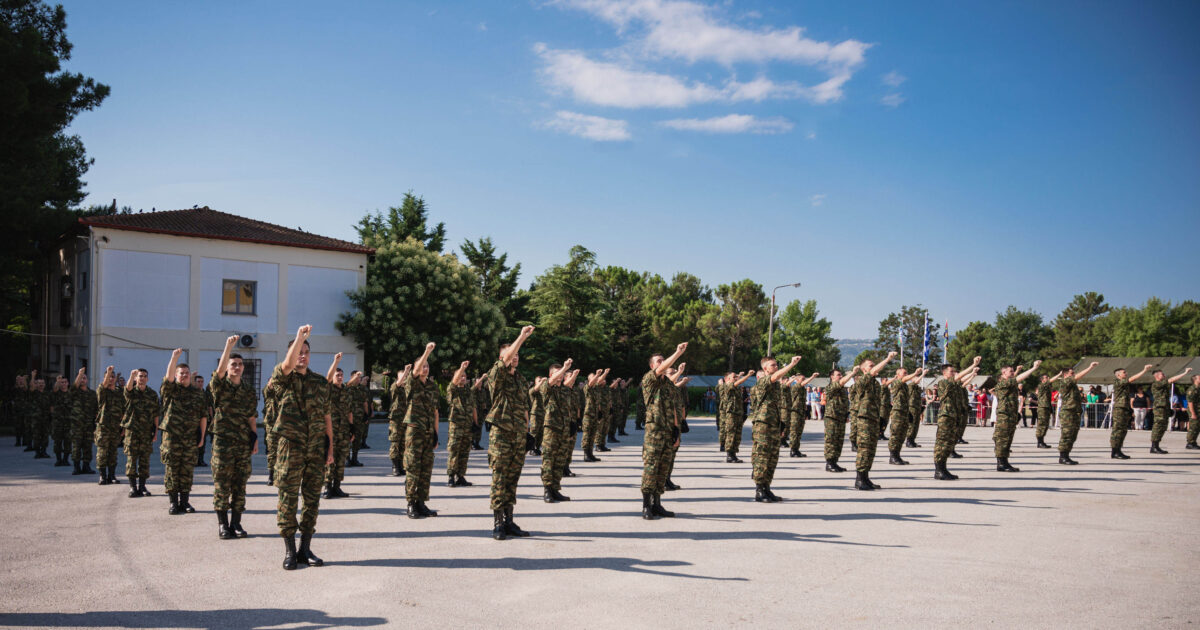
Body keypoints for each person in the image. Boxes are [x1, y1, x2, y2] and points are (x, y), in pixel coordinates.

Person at [271, 325, 335, 570]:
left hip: (316, 449)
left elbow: (327, 416)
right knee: (287, 499)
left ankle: (304, 549)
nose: (302, 355)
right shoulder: (282, 378)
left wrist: (329, 449)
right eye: (298, 351)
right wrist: (300, 337)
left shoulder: (320, 382)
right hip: (291, 448)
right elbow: (287, 366)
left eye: (306, 351)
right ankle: (289, 551)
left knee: (312, 501)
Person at [486, 326, 536, 540]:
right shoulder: (496, 374)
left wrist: (528, 431)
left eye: (517, 355)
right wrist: (522, 337)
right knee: (500, 478)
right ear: (502, 357)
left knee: (513, 479)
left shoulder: (521, 380)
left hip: (517, 435)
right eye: (511, 354)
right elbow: (504, 361)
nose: (515, 357)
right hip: (501, 435)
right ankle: (497, 523)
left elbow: (525, 407)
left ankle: (509, 521)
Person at [210, 335, 260, 539]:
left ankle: (236, 523)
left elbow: (251, 416)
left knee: (240, 483)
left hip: (242, 443)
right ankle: (222, 525)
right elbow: (219, 372)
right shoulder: (221, 386)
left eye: (240, 364)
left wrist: (254, 438)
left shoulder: (248, 391)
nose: (237, 367)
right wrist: (228, 347)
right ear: (228, 367)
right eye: (233, 364)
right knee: (222, 483)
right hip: (223, 442)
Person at [640, 342, 687, 520]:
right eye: (659, 361)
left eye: (663, 360)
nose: (662, 363)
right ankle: (646, 505)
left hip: (668, 431)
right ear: (652, 366)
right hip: (654, 433)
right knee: (651, 468)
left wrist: (676, 429)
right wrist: (677, 353)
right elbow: (663, 368)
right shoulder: (649, 379)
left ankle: (657, 504)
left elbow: (674, 408)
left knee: (662, 469)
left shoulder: (668, 385)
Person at [159, 349, 208, 515]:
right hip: (172, 437)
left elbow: (203, 416)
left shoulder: (198, 393)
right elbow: (169, 377)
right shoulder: (171, 389)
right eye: (181, 373)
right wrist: (174, 358)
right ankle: (173, 503)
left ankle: (185, 502)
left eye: (186, 373)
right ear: (176, 375)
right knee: (172, 470)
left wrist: (202, 436)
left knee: (187, 470)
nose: (184, 375)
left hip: (190, 438)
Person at [751, 355, 803, 502]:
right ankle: (759, 490)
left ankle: (767, 488)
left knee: (772, 458)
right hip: (763, 425)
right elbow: (776, 377)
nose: (776, 367)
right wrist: (792, 364)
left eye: (776, 365)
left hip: (773, 423)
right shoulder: (763, 382)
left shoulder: (775, 386)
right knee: (762, 457)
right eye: (773, 365)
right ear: (765, 368)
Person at [850, 352, 898, 490]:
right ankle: (859, 480)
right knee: (864, 449)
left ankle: (866, 478)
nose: (874, 367)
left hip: (873, 419)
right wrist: (888, 359)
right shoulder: (862, 380)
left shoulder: (876, 384)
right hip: (864, 420)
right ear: (864, 369)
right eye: (870, 366)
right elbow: (874, 371)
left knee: (871, 450)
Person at [404, 343, 441, 518]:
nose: (425, 368)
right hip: (414, 431)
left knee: (426, 468)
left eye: (427, 366)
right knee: (413, 468)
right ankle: (411, 503)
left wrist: (435, 434)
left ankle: (421, 502)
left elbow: (435, 412)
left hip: (428, 432)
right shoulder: (412, 382)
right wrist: (426, 352)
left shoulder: (433, 387)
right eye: (423, 365)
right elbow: (415, 372)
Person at [933, 356, 980, 480]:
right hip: (945, 417)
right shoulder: (943, 382)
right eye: (951, 371)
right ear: (944, 373)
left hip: (952, 416)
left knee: (948, 443)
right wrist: (972, 365)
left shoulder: (952, 384)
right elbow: (958, 378)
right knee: (942, 443)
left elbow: (962, 382)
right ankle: (938, 470)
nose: (954, 373)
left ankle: (943, 468)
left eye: (954, 371)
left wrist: (972, 373)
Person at [992, 361, 1040, 472]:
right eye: (1011, 371)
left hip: (1010, 414)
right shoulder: (1002, 383)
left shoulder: (1009, 382)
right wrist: (1033, 368)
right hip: (1004, 415)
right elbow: (1018, 379)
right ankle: (1000, 463)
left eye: (1014, 371)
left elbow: (1015, 379)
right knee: (1002, 439)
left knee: (1008, 439)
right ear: (1003, 372)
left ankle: (1005, 462)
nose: (1013, 372)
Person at [539, 361, 575, 502]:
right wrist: (565, 368)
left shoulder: (566, 390)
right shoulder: (546, 387)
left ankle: (555, 489)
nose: (559, 376)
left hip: (564, 430)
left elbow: (567, 409)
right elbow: (552, 381)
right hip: (551, 430)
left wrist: (571, 424)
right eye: (556, 373)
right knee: (548, 460)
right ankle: (547, 490)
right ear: (550, 375)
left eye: (561, 373)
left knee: (560, 461)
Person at [122, 368, 159, 497]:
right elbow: (127, 389)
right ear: (136, 379)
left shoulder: (152, 394)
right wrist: (131, 376)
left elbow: (156, 414)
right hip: (132, 431)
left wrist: (156, 431)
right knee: (132, 459)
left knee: (144, 460)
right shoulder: (132, 392)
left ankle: (142, 486)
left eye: (144, 376)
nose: (142, 378)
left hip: (146, 432)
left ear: (147, 379)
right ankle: (133, 487)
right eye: (140, 376)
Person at [1056, 361, 1099, 464]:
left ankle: (1066, 454)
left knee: (1073, 434)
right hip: (1068, 412)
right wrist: (1090, 367)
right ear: (1065, 375)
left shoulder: (1072, 385)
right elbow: (1077, 377)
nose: (1073, 375)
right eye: (1071, 373)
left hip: (1075, 412)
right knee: (1067, 434)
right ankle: (1063, 456)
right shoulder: (1064, 382)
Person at [323, 364, 355, 498]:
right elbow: (328, 378)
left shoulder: (346, 391)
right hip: (331, 430)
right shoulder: (329, 389)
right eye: (338, 375)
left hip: (344, 430)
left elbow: (349, 411)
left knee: (341, 459)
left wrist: (352, 428)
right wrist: (335, 361)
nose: (340, 377)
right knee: (330, 458)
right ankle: (327, 487)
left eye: (342, 375)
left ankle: (337, 486)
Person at [1109, 364, 1152, 459]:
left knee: (1123, 430)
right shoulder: (1118, 382)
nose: (1126, 374)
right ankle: (1114, 451)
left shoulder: (1124, 383)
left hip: (1124, 408)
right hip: (1119, 408)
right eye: (1124, 372)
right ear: (1118, 375)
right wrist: (1144, 370)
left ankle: (1118, 450)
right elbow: (1132, 379)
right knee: (1118, 430)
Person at [446, 359, 477, 488]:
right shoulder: (452, 390)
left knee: (465, 452)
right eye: (460, 375)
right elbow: (454, 383)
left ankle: (461, 476)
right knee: (454, 451)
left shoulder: (468, 391)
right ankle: (451, 476)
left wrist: (476, 423)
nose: (463, 378)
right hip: (456, 427)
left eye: (464, 376)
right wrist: (462, 368)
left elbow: (473, 407)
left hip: (467, 426)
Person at [1149, 367, 1193, 453]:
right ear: (1157, 376)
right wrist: (1184, 373)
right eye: (1162, 374)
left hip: (1164, 407)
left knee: (1163, 426)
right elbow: (1172, 379)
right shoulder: (1156, 384)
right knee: (1158, 426)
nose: (1164, 375)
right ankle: (1154, 446)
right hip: (1159, 408)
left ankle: (1156, 445)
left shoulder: (1163, 384)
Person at [887, 367, 925, 465]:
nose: (906, 374)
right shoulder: (896, 383)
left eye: (906, 373)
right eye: (904, 373)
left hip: (904, 412)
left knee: (902, 435)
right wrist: (915, 373)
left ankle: (897, 455)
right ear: (898, 375)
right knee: (895, 435)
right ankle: (893, 456)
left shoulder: (905, 386)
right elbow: (904, 379)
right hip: (897, 413)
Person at [94, 367, 125, 485]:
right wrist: (108, 371)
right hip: (103, 427)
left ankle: (112, 475)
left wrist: (123, 427)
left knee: (113, 452)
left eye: (113, 376)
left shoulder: (119, 392)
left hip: (116, 427)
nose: (111, 379)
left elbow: (123, 410)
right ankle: (102, 476)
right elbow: (103, 385)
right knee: (102, 452)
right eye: (108, 376)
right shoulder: (102, 390)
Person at [823, 367, 855, 473]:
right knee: (831, 440)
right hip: (832, 417)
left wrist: (846, 414)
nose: (840, 376)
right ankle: (829, 463)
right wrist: (853, 373)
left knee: (839, 441)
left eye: (841, 375)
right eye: (838, 375)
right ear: (832, 377)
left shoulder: (842, 389)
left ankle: (835, 462)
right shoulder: (831, 386)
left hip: (840, 417)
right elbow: (841, 382)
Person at [718, 370, 753, 462]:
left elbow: (738, 381)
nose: (736, 378)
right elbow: (739, 381)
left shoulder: (736, 388)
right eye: (734, 377)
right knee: (731, 434)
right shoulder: (727, 386)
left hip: (738, 413)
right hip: (731, 414)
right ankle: (729, 454)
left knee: (737, 435)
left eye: (736, 377)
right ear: (727, 379)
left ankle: (733, 454)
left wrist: (740, 376)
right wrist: (748, 375)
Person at [69, 368, 98, 476]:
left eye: (84, 378)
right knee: (76, 446)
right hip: (77, 425)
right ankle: (76, 467)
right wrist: (80, 373)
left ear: (87, 380)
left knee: (87, 446)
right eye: (80, 378)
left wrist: (96, 423)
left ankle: (86, 466)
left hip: (89, 425)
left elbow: (96, 409)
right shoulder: (75, 392)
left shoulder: (92, 394)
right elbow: (74, 386)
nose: (82, 380)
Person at [787, 372, 820, 458]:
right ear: (797, 380)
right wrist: (812, 376)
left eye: (804, 379)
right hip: (795, 412)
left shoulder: (802, 389)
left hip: (801, 411)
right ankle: (793, 450)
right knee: (794, 432)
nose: (804, 380)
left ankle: (796, 449)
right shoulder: (795, 387)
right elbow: (803, 383)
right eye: (802, 379)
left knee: (799, 432)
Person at [387, 364, 412, 476]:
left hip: (406, 419)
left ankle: (401, 465)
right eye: (402, 377)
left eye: (406, 377)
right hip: (396, 419)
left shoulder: (408, 389)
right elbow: (398, 384)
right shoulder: (394, 387)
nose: (404, 378)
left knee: (404, 443)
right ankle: (395, 466)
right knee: (395, 442)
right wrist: (406, 371)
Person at [581, 368, 610, 462]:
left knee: (592, 435)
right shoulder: (587, 387)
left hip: (595, 414)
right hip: (588, 415)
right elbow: (593, 382)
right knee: (587, 435)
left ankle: (590, 453)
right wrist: (597, 374)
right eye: (593, 377)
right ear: (589, 380)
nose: (596, 379)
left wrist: (605, 373)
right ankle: (586, 454)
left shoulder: (597, 388)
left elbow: (600, 380)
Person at [1034, 372, 1061, 448]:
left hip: (1046, 407)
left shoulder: (1047, 386)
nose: (1048, 378)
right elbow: (1050, 381)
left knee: (1045, 425)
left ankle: (1041, 441)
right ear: (1042, 380)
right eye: (1046, 377)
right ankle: (1039, 442)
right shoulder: (1042, 385)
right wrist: (1059, 374)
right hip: (1042, 407)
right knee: (1042, 425)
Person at [50, 374, 71, 467]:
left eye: (65, 382)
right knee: (57, 441)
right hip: (58, 422)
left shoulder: (71, 394)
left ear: (68, 383)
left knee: (68, 441)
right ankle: (58, 459)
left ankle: (65, 459)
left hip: (68, 421)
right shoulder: (57, 393)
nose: (63, 384)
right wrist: (57, 381)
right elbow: (54, 389)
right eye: (62, 382)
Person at [194, 373, 213, 468]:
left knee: (203, 440)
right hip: (194, 420)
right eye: (198, 382)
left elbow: (209, 406)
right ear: (195, 382)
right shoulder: (192, 393)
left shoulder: (206, 394)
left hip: (205, 420)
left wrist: (212, 418)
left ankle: (200, 459)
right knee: (193, 440)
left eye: (202, 382)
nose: (200, 383)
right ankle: (194, 459)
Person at [904, 378, 926, 448]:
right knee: (911, 425)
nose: (919, 379)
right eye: (917, 378)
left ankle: (912, 440)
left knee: (916, 425)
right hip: (912, 408)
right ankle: (908, 441)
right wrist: (923, 374)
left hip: (917, 407)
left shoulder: (917, 387)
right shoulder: (910, 385)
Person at [527, 376, 545, 456]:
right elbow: (533, 390)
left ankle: (537, 448)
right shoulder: (533, 390)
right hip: (535, 414)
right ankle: (531, 448)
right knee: (534, 432)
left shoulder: (544, 391)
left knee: (541, 433)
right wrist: (541, 382)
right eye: (539, 381)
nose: (541, 382)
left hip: (544, 414)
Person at [1186, 374, 1200, 449]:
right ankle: (1190, 443)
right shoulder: (1192, 389)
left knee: (1197, 427)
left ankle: (1193, 442)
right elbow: (1190, 402)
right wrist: (1193, 413)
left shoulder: (1198, 388)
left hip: (1198, 411)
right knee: (1193, 427)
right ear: (1195, 379)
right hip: (1194, 411)